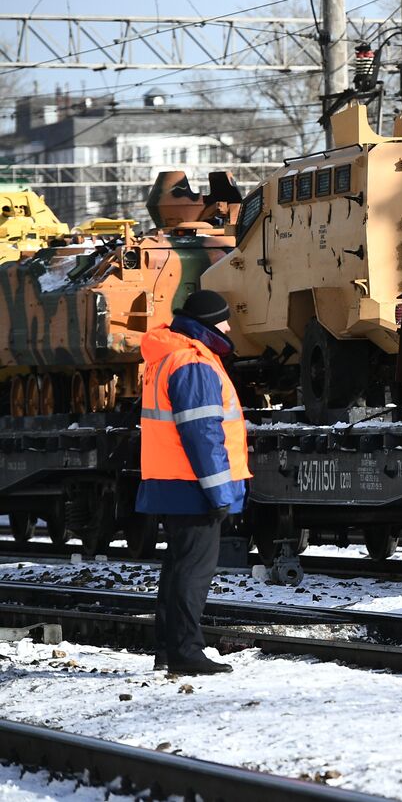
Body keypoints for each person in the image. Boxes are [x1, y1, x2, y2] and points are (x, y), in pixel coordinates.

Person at [137, 289, 249, 675]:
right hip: (194, 484)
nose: (229, 327)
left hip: (171, 479)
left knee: (177, 568)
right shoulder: (193, 361)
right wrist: (220, 491)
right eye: (224, 320)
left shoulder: (167, 355)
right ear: (208, 325)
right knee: (193, 571)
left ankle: (169, 651)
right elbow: (203, 433)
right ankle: (186, 652)